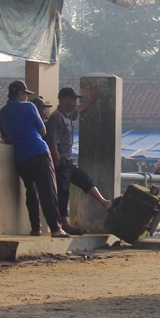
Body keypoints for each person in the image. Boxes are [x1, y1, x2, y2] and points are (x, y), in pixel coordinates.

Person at [0, 81, 68, 238]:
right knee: (47, 190)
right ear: (20, 94)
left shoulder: (2, 113)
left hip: (21, 157)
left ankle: (36, 228)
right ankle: (56, 228)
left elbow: (6, 139)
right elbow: (43, 131)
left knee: (31, 191)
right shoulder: (29, 107)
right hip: (38, 151)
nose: (26, 98)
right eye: (25, 95)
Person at [47, 85, 113, 235]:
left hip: (67, 160)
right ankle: (64, 223)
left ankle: (104, 202)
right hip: (61, 160)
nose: (74, 103)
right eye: (71, 99)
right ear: (63, 100)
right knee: (62, 192)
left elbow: (79, 109)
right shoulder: (57, 117)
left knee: (84, 179)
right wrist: (56, 160)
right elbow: (52, 141)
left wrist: (91, 99)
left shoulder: (68, 115)